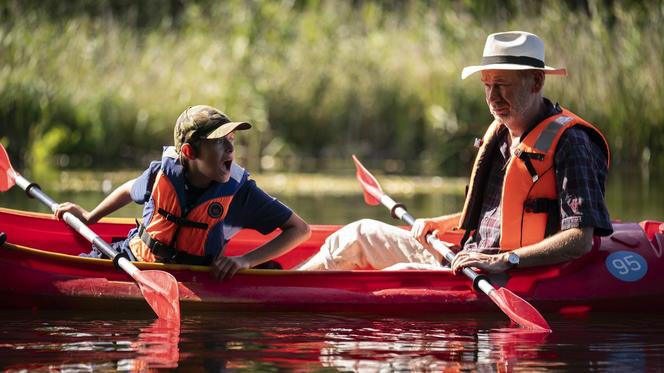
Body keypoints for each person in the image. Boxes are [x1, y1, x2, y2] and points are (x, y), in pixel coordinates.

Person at [297, 31, 613, 273]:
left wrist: (506, 261)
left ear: (536, 81)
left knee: (401, 274)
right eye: (487, 84)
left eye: (502, 84)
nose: (492, 96)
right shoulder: (502, 132)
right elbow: (501, 213)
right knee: (357, 232)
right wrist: (445, 223)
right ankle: (282, 286)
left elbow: (579, 239)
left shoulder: (572, 142)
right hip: (467, 256)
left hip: (507, 270)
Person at [55, 105, 311, 280]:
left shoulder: (240, 192)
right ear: (189, 153)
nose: (229, 148)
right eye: (217, 141)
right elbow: (127, 189)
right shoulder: (162, 174)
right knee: (71, 268)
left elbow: (300, 229)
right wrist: (91, 217)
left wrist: (245, 261)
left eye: (230, 138)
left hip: (196, 278)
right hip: (132, 259)